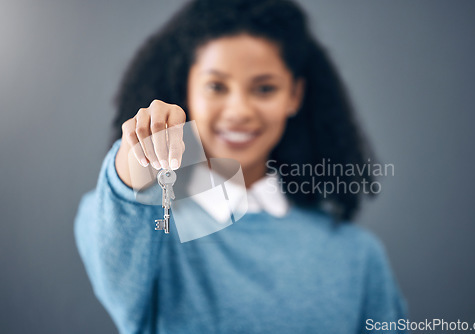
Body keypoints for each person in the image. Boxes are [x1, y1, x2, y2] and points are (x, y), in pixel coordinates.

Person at [74, 0, 407, 333]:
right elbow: (124, 215)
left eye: (264, 88)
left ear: (295, 94)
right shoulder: (148, 232)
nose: (239, 111)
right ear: (186, 89)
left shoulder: (358, 257)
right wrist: (142, 148)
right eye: (216, 86)